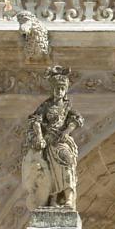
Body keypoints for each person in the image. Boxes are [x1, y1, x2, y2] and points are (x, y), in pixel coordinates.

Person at [22, 66, 83, 209]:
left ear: (65, 90)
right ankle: (53, 199)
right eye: (57, 88)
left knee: (66, 166)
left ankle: (68, 198)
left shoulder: (67, 106)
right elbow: (35, 120)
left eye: (62, 89)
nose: (59, 91)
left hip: (61, 142)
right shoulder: (46, 106)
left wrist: (66, 131)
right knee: (50, 172)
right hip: (48, 142)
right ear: (53, 89)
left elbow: (77, 119)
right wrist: (39, 137)